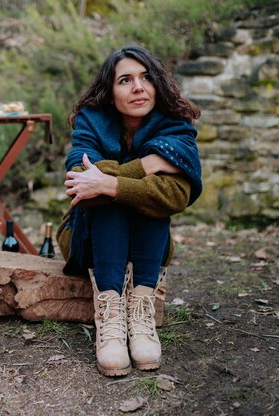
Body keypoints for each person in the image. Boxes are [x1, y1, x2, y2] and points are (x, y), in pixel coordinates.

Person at [56, 45, 202, 377]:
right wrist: (150, 165)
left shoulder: (174, 125)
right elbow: (79, 181)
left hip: (148, 242)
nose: (138, 87)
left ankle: (140, 312)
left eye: (146, 77)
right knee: (115, 205)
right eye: (125, 80)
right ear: (110, 93)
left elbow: (176, 195)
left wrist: (109, 183)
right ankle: (110, 317)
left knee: (151, 202)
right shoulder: (90, 122)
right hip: (88, 238)